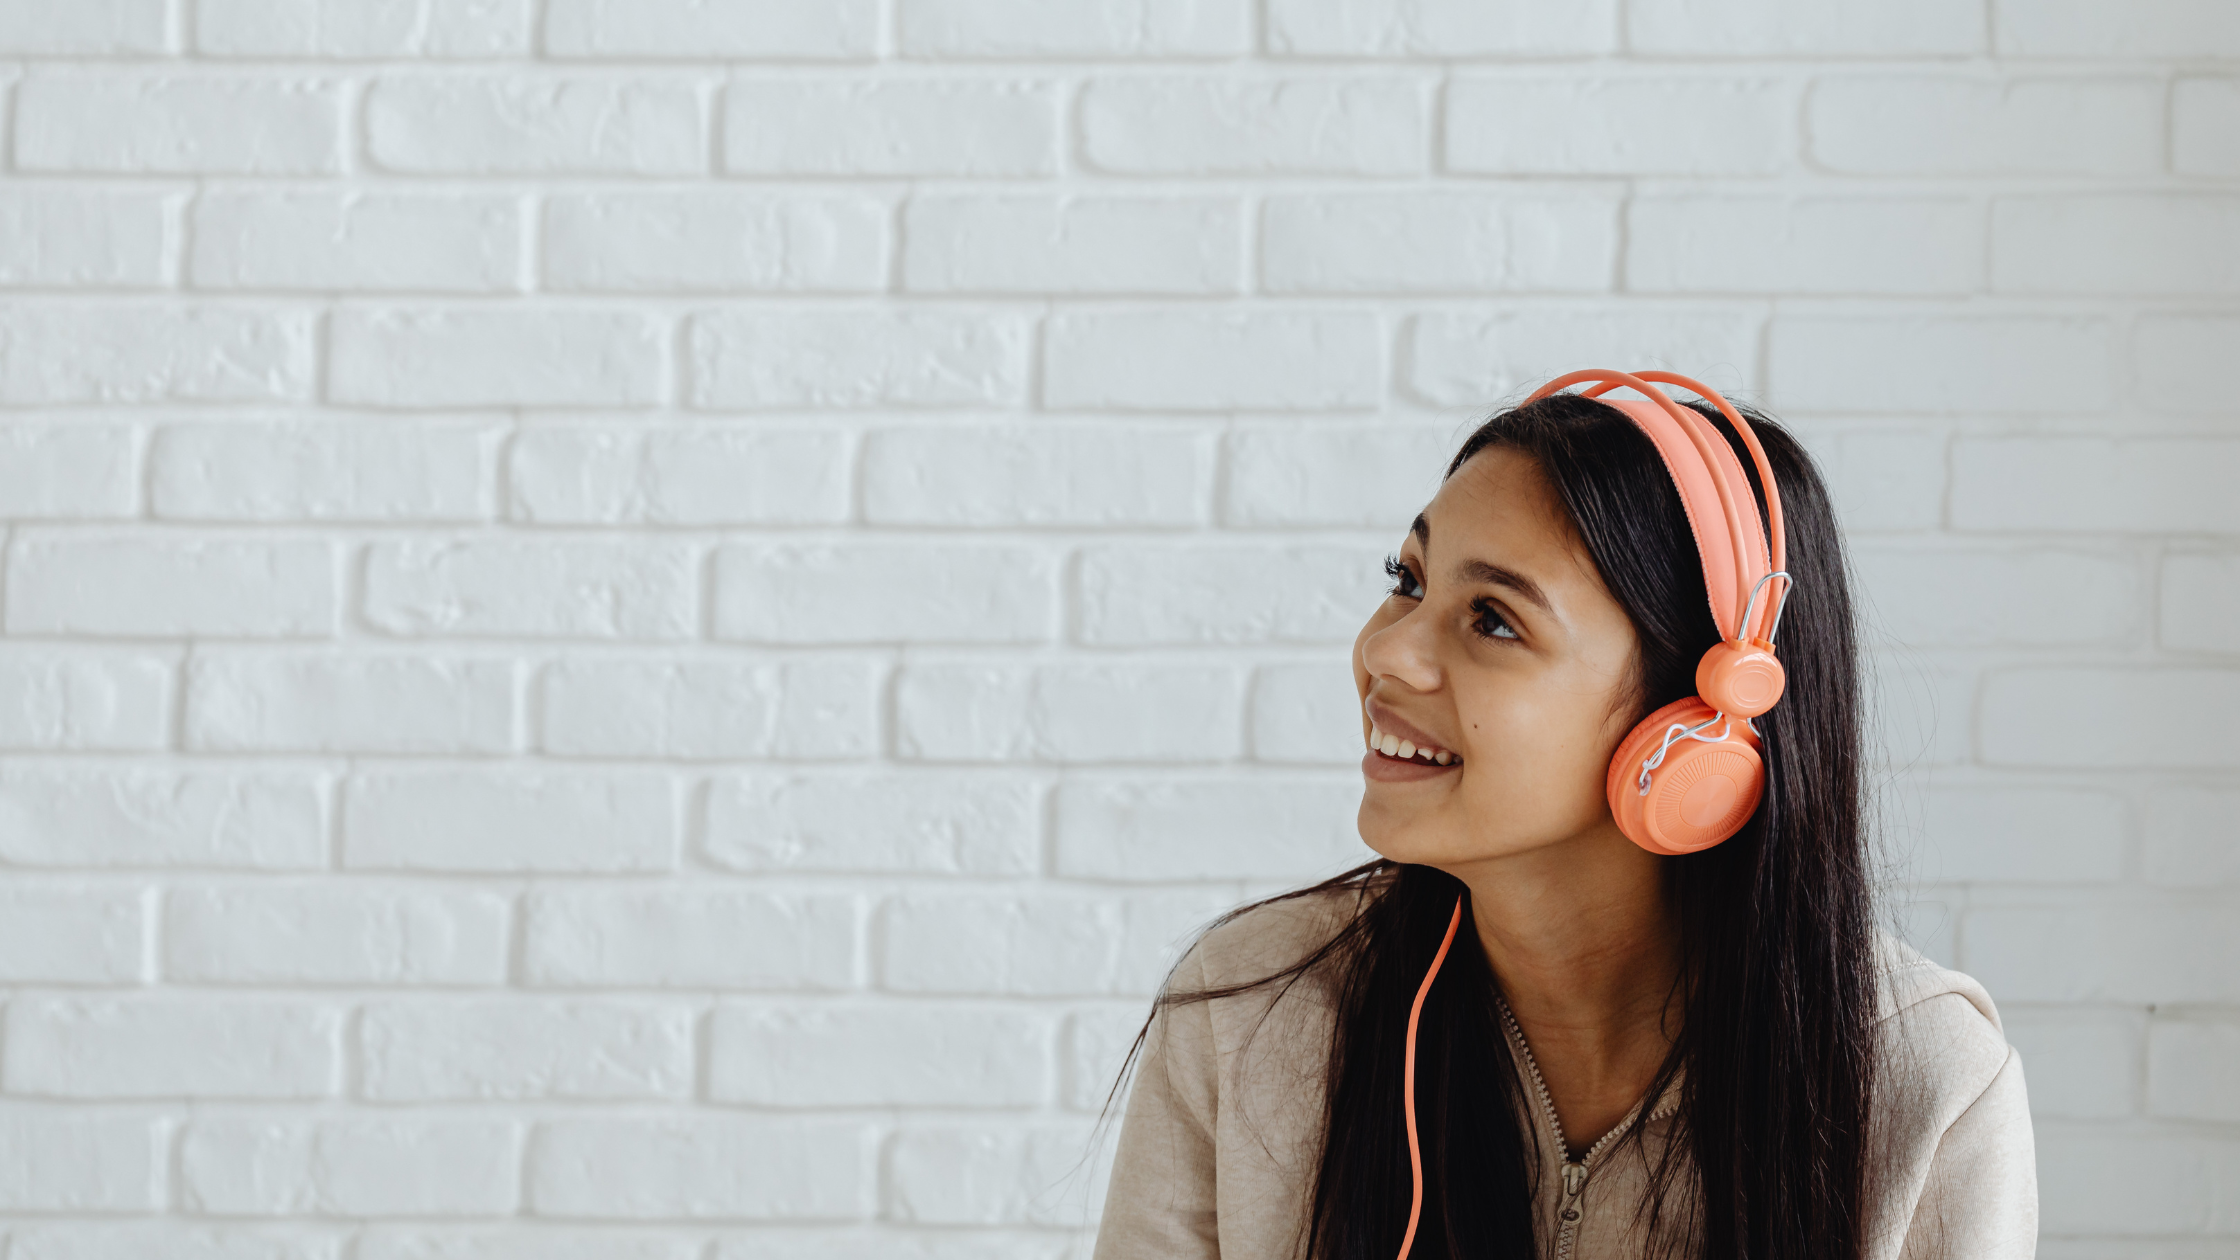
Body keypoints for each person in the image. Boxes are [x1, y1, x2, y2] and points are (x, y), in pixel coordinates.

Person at [1091, 372, 2037, 1260]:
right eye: (1409, 579)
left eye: (1494, 619)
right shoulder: (1251, 1007)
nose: (1388, 652)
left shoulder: (1922, 1081)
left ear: (1694, 724)